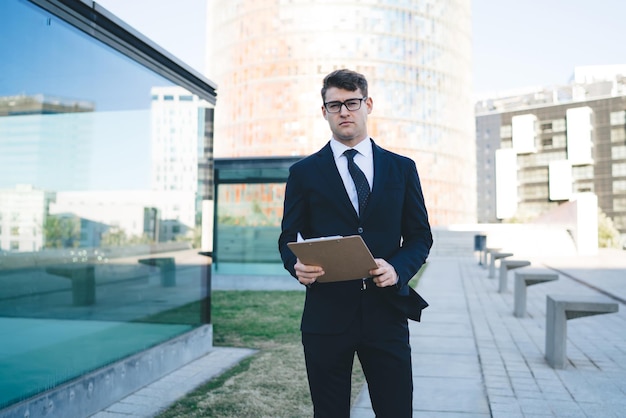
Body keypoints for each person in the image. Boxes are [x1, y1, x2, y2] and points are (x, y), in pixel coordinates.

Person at [278, 68, 433, 418]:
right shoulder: (303, 173)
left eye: (351, 102)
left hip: (386, 312)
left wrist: (398, 268)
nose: (344, 112)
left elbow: (421, 236)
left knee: (395, 410)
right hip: (326, 315)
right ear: (324, 112)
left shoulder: (402, 168)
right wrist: (296, 266)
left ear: (368, 104)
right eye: (334, 105)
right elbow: (288, 237)